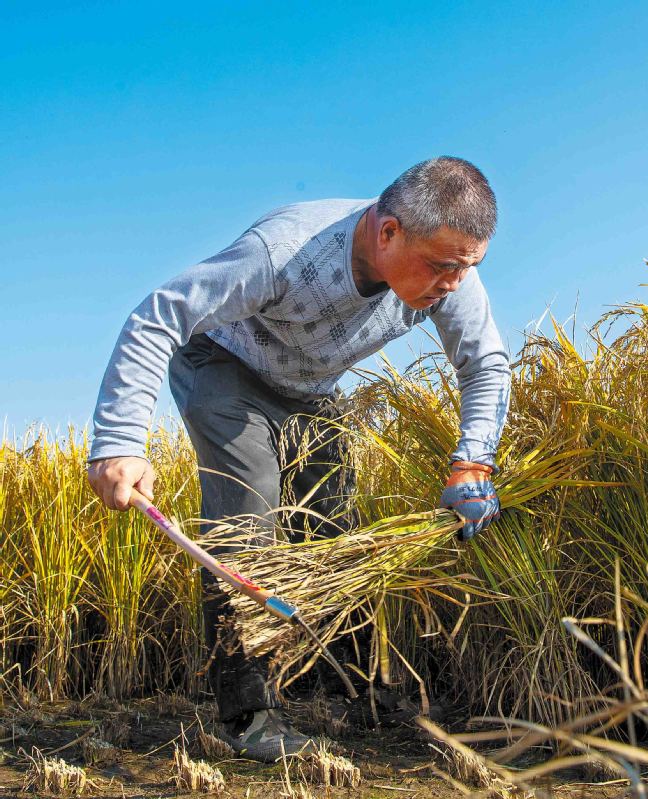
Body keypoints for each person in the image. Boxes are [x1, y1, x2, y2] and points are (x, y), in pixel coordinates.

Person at [85, 157, 511, 761]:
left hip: (310, 389)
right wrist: (121, 440)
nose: (454, 282)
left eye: (469, 267)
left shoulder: (452, 273)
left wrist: (473, 464)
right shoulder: (283, 251)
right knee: (248, 515)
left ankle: (353, 690)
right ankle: (249, 714)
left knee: (335, 526)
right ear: (388, 232)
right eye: (443, 266)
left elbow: (485, 364)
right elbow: (161, 313)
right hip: (223, 364)